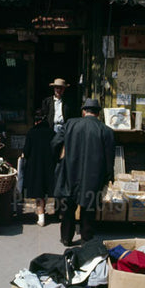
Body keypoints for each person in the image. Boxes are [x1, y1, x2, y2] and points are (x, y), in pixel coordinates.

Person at [51, 98, 115, 246]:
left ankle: (66, 238)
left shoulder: (70, 124)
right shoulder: (106, 131)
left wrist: (59, 160)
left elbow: (55, 143)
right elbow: (109, 159)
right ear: (98, 114)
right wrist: (108, 177)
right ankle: (86, 239)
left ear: (84, 111)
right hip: (93, 176)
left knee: (68, 208)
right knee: (88, 208)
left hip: (69, 173)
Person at [22, 109, 56, 227]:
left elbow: (26, 152)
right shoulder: (52, 133)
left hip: (35, 167)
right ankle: (53, 213)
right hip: (49, 167)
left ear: (36, 121)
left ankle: (41, 217)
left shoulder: (32, 133)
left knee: (39, 192)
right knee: (49, 190)